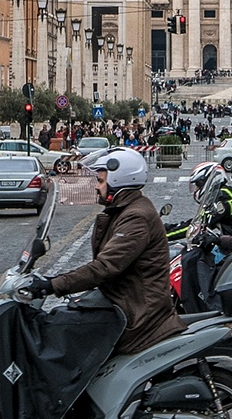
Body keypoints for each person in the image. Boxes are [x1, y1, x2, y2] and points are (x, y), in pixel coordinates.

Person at [40, 148, 185, 355]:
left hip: (137, 313)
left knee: (64, 332)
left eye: (100, 181)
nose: (97, 186)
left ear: (118, 181)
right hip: (125, 300)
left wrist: (52, 284)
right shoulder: (126, 209)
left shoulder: (136, 217)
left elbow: (105, 267)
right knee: (66, 317)